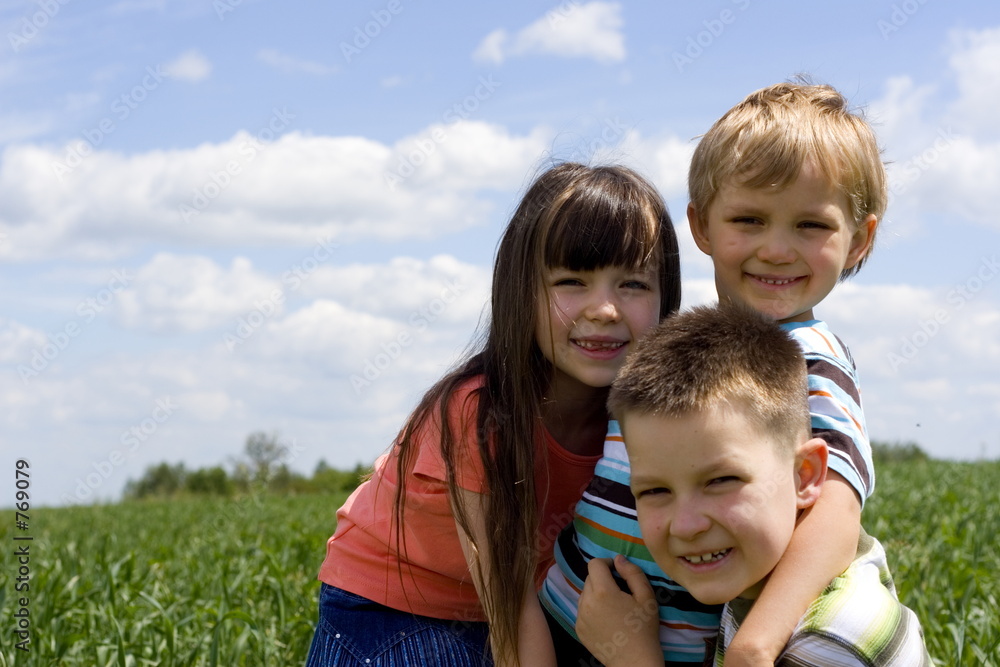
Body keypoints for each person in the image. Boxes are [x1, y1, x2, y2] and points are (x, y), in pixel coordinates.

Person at [540, 81, 884, 665]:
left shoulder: (810, 357)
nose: (776, 249)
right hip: (564, 624)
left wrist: (755, 646)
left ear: (859, 240)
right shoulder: (683, 338)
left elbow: (836, 510)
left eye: (810, 226)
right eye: (749, 219)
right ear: (700, 226)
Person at [305, 161, 682, 667]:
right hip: (395, 606)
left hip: (537, 603)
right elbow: (511, 609)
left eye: (633, 285)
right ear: (520, 294)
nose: (605, 309)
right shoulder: (477, 412)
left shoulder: (647, 415)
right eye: (571, 281)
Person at [574, 304, 932, 666]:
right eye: (654, 491)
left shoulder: (828, 644)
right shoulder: (758, 581)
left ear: (805, 475)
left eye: (721, 481)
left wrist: (632, 660)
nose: (686, 525)